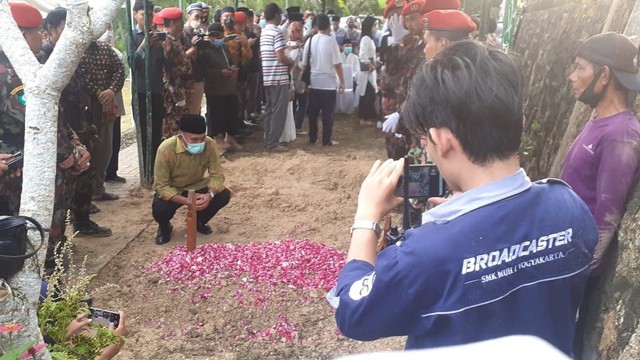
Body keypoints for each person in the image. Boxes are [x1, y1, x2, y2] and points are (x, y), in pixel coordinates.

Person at [329, 41, 598, 356]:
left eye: (424, 139)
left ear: (442, 140)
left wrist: (366, 217)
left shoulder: (423, 256)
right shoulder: (570, 207)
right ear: (520, 123)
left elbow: (352, 312)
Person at [561, 32, 640, 359]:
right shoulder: (599, 121)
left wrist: (572, 281)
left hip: (579, 278)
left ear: (604, 75)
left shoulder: (621, 136)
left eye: (580, 67)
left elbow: (606, 219)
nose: (572, 76)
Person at [152, 115, 231, 245]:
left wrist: (209, 195)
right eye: (194, 140)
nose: (199, 143)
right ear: (181, 137)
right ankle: (165, 226)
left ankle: (198, 221)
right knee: (160, 208)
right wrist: (186, 201)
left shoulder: (209, 144)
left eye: (202, 139)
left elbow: (217, 175)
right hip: (174, 188)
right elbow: (161, 186)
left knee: (223, 194)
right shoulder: (166, 148)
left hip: (197, 185)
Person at [127, 0, 166, 175]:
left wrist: (165, 48)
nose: (148, 18)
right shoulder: (131, 36)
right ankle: (146, 172)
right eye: (144, 14)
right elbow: (132, 63)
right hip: (141, 91)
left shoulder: (156, 36)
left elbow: (166, 65)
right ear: (135, 14)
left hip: (157, 90)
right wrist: (144, 46)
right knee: (144, 133)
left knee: (157, 130)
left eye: (150, 14)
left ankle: (157, 170)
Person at [302, 14, 346, 146]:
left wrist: (305, 82)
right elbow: (337, 64)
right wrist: (342, 81)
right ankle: (326, 140)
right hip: (328, 83)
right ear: (329, 26)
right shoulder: (331, 41)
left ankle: (312, 138)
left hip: (314, 82)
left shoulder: (310, 41)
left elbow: (305, 64)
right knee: (328, 114)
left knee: (313, 113)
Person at [201, 22, 242, 151]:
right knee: (216, 115)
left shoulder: (223, 47)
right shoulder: (205, 50)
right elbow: (205, 71)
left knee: (231, 113)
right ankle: (217, 140)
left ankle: (231, 137)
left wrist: (233, 68)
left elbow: (229, 60)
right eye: (218, 36)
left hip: (229, 87)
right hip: (215, 89)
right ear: (212, 36)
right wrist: (220, 73)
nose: (220, 38)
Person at [260, 3, 295, 152]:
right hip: (279, 76)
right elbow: (280, 56)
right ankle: (273, 142)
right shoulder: (277, 32)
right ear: (276, 16)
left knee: (269, 110)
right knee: (278, 111)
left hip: (267, 76)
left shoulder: (264, 31)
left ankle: (268, 139)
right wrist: (291, 61)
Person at [159, 7, 193, 139]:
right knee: (173, 124)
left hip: (178, 89)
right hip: (173, 91)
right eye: (180, 21)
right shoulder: (169, 41)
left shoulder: (175, 39)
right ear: (173, 22)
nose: (182, 24)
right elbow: (177, 68)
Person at [183, 2, 207, 115]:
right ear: (189, 16)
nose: (199, 20)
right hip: (186, 80)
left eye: (201, 18)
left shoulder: (198, 33)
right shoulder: (182, 34)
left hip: (198, 76)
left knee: (196, 110)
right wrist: (193, 47)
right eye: (196, 16)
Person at [357, 16, 379, 126]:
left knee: (369, 94)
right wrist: (371, 65)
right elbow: (362, 55)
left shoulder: (369, 39)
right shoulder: (366, 38)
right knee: (368, 94)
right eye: (374, 25)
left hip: (371, 71)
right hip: (367, 72)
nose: (375, 28)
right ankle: (363, 118)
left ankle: (368, 117)